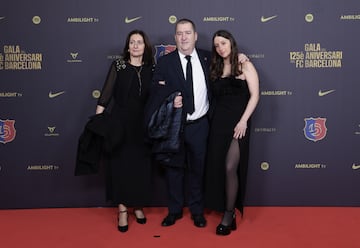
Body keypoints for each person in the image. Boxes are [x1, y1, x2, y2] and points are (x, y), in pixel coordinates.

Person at [145, 19, 248, 228]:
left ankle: (197, 211)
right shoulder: (165, 62)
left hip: (200, 125)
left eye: (187, 33)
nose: (184, 37)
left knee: (198, 169)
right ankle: (174, 211)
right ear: (175, 37)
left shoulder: (208, 58)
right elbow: (155, 89)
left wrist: (241, 58)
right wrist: (170, 98)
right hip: (175, 125)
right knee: (174, 170)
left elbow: (228, 64)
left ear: (195, 35)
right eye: (179, 33)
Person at [95, 30, 154, 233]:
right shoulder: (118, 65)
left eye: (139, 42)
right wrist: (98, 120)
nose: (136, 45)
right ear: (127, 46)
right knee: (120, 166)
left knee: (140, 166)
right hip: (119, 123)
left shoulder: (151, 68)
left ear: (145, 46)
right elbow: (106, 94)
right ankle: (122, 210)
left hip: (143, 125)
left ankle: (137, 206)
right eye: (132, 42)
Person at [204, 30, 260, 235]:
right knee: (219, 166)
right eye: (217, 45)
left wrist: (243, 121)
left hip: (239, 124)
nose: (220, 48)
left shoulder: (245, 64)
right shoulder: (215, 67)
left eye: (223, 43)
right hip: (218, 123)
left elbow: (255, 96)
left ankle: (229, 214)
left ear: (231, 43)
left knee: (230, 167)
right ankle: (225, 209)